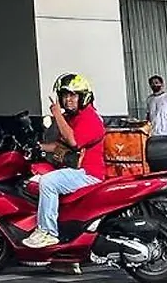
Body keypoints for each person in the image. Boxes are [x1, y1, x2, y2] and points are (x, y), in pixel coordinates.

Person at [21, 73, 107, 250]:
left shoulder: (90, 117)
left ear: (83, 97)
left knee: (48, 182)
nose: (68, 100)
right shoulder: (72, 117)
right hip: (75, 170)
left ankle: (48, 232)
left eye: (73, 95)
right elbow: (59, 146)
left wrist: (56, 113)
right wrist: (38, 147)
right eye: (65, 95)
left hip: (88, 173)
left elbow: (73, 141)